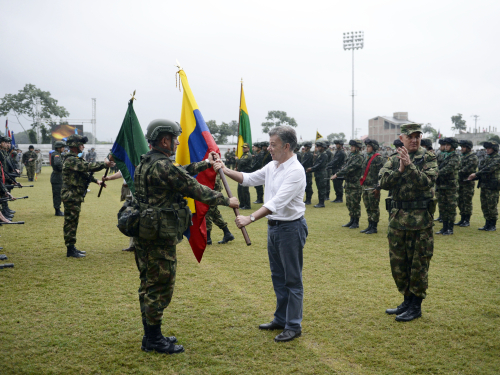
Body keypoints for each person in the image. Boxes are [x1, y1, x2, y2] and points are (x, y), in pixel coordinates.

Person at [133, 119, 239, 354]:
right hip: (159, 236)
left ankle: (152, 335)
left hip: (146, 232)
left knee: (148, 284)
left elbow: (179, 173)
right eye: (174, 138)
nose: (177, 142)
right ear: (164, 140)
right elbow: (193, 188)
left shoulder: (147, 162)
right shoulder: (162, 165)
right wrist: (225, 200)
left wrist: (204, 164)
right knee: (159, 287)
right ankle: (153, 339)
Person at [215, 125, 307, 343]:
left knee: (292, 279)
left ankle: (293, 325)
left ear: (286, 146)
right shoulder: (273, 165)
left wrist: (250, 218)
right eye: (269, 144)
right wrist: (224, 169)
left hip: (290, 229)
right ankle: (280, 318)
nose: (269, 148)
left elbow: (277, 202)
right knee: (278, 277)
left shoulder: (295, 171)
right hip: (274, 228)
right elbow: (248, 178)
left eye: (273, 145)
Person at [379, 123, 437, 322]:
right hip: (397, 220)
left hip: (420, 221)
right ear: (401, 138)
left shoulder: (428, 157)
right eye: (410, 136)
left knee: (418, 264)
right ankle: (406, 301)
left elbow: (427, 182)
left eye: (417, 136)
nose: (414, 140)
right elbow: (384, 182)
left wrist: (410, 167)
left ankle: (416, 306)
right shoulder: (394, 159)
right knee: (399, 264)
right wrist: (400, 168)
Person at [62, 135, 114, 258]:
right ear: (74, 146)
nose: (83, 146)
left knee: (73, 221)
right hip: (71, 195)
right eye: (81, 144)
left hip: (74, 195)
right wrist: (104, 164)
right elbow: (88, 167)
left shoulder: (75, 159)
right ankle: (70, 249)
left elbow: (85, 174)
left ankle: (72, 247)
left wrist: (97, 181)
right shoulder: (71, 159)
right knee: (71, 222)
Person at [468, 141, 500, 231]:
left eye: (489, 148)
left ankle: (492, 225)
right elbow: (481, 169)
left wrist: (476, 174)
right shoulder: (486, 158)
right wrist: (474, 177)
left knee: (492, 205)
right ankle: (487, 223)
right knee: (484, 205)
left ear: (494, 149)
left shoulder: (497, 158)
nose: (487, 150)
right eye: (487, 148)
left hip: (492, 186)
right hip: (484, 185)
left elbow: (488, 169)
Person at [332, 140, 364, 229]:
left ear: (358, 148)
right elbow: (345, 166)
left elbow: (350, 167)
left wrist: (337, 174)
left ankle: (356, 222)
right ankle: (351, 220)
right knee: (349, 203)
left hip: (355, 184)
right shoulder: (351, 155)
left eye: (353, 146)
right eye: (351, 146)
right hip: (349, 183)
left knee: (355, 203)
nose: (351, 148)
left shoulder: (359, 157)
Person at [435, 137, 460, 235]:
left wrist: (435, 173)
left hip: (450, 186)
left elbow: (448, 169)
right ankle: (444, 227)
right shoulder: (442, 155)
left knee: (450, 207)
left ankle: (450, 228)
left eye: (448, 145)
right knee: (442, 207)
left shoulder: (455, 156)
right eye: (445, 145)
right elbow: (435, 164)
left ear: (453, 146)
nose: (446, 147)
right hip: (441, 185)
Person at [360, 139, 384, 234]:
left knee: (374, 207)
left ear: (374, 147)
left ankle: (374, 227)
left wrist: (378, 187)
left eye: (369, 146)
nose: (367, 148)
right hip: (366, 186)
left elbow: (381, 174)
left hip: (373, 186)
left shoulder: (378, 158)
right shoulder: (367, 157)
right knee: (368, 207)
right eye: (366, 146)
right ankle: (369, 225)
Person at [206, 173, 235, 245]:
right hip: (212, 183)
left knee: (207, 210)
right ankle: (227, 233)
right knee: (214, 212)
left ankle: (207, 238)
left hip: (212, 184)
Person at [455, 140, 478, 227]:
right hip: (460, 182)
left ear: (468, 148)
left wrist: (455, 172)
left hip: (467, 183)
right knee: (460, 201)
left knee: (466, 202)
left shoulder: (472, 157)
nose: (462, 149)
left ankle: (467, 220)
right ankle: (462, 219)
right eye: (461, 147)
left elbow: (466, 169)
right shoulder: (462, 156)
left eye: (463, 147)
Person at [306, 138, 328, 208]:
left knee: (321, 188)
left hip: (322, 173)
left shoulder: (324, 155)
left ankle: (321, 203)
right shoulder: (319, 154)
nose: (317, 148)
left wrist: (311, 169)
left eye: (319, 146)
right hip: (318, 174)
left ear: (323, 147)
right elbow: (316, 163)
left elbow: (320, 165)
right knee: (319, 188)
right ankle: (320, 202)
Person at [51, 141, 66, 216]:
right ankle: (57, 211)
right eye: (62, 147)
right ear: (58, 148)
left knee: (59, 193)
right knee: (57, 194)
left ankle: (58, 209)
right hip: (57, 177)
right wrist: (63, 168)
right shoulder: (56, 154)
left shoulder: (58, 154)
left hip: (58, 177)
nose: (63, 148)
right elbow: (57, 164)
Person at [236, 143, 252, 209]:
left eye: (245, 148)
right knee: (240, 190)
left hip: (245, 174)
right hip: (241, 173)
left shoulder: (248, 155)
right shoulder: (244, 155)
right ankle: (242, 204)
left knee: (244, 190)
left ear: (248, 148)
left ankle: (247, 205)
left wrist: (237, 159)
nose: (243, 149)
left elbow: (242, 162)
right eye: (243, 147)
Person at [434, 139, 446, 222]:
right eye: (440, 145)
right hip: (439, 180)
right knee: (439, 199)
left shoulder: (447, 155)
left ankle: (444, 216)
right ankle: (441, 215)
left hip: (444, 179)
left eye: (443, 145)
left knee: (446, 200)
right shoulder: (438, 153)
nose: (441, 147)